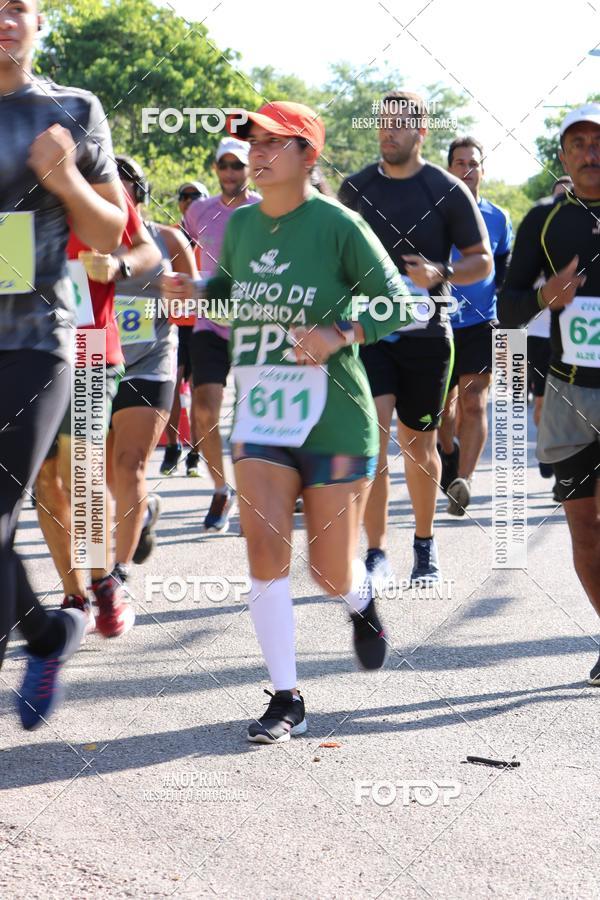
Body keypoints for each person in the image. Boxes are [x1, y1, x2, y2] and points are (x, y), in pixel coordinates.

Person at [162, 101, 412, 744]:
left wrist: (338, 333)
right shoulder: (242, 227)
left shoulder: (339, 224)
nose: (256, 153)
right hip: (264, 415)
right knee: (264, 549)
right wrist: (191, 293)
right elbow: (231, 291)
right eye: (252, 142)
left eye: (273, 142)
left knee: (329, 573)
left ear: (308, 154)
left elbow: (397, 300)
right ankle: (286, 696)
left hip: (335, 418)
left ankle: (360, 604)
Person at [0, 0, 126, 728]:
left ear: (41, 21)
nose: (5, 17)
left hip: (32, 345)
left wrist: (67, 180)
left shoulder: (72, 109)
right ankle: (47, 635)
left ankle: (52, 632)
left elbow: (111, 229)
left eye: (18, 4)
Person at [339, 91, 492, 585]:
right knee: (374, 438)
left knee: (418, 445)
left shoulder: (446, 189)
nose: (388, 131)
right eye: (383, 123)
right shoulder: (357, 188)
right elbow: (333, 253)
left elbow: (481, 260)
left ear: (421, 132)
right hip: (372, 334)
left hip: (428, 334)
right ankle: (376, 551)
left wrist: (441, 271)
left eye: (400, 125)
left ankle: (424, 545)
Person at [499, 104, 600, 684]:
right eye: (578, 143)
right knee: (584, 524)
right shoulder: (543, 221)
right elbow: (506, 310)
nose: (590, 152)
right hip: (567, 395)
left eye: (598, 142)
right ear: (563, 155)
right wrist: (547, 298)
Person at [36, 187, 159, 638]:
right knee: (46, 482)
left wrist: (119, 265)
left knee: (81, 469)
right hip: (30, 349)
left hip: (89, 346)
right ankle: (76, 597)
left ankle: (102, 581)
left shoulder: (91, 179)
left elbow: (145, 249)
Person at [108, 155, 198, 576]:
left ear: (140, 193)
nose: (119, 193)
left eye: (127, 185)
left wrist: (176, 293)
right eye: (110, 185)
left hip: (152, 364)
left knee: (130, 466)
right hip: (98, 362)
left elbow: (197, 306)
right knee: (108, 475)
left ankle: (116, 572)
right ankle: (142, 513)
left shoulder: (167, 241)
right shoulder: (85, 241)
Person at [184, 137, 260, 532]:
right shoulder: (199, 211)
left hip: (256, 323)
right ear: (215, 168)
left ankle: (259, 493)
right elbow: (180, 251)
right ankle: (220, 488)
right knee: (204, 410)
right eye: (224, 165)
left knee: (252, 416)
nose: (230, 172)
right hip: (209, 322)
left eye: (237, 165)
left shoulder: (265, 209)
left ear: (249, 168)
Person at [437, 136, 513, 515]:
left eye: (473, 162)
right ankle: (448, 453)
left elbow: (504, 266)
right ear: (448, 168)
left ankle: (462, 481)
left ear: (483, 169)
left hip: (481, 322)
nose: (467, 169)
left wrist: (492, 300)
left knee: (473, 401)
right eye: (459, 162)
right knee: (441, 411)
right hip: (436, 321)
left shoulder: (498, 217)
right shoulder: (432, 212)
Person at [159, 178, 209, 477]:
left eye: (197, 196)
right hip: (175, 322)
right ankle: (173, 446)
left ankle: (196, 454)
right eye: (185, 196)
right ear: (178, 203)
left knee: (203, 392)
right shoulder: (171, 236)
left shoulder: (214, 233)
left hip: (205, 323)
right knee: (174, 385)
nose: (190, 201)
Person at [528, 177, 574, 492]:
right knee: (544, 405)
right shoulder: (538, 239)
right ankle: (547, 447)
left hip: (577, 338)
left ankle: (564, 475)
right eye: (559, 198)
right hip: (539, 335)